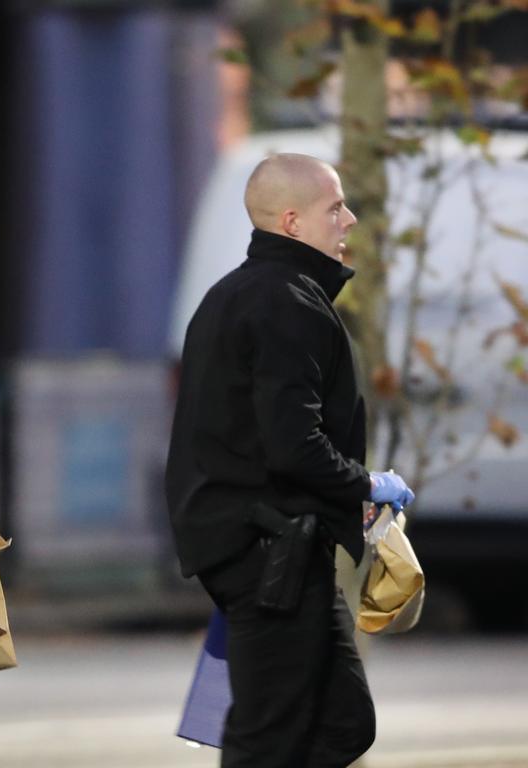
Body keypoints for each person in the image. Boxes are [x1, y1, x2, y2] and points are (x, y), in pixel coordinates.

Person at [165, 154, 415, 767]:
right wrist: (369, 485)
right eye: (335, 207)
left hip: (266, 546)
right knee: (268, 737)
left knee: (343, 722)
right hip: (270, 553)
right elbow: (294, 446)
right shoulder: (286, 305)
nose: (349, 219)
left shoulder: (235, 296)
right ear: (292, 221)